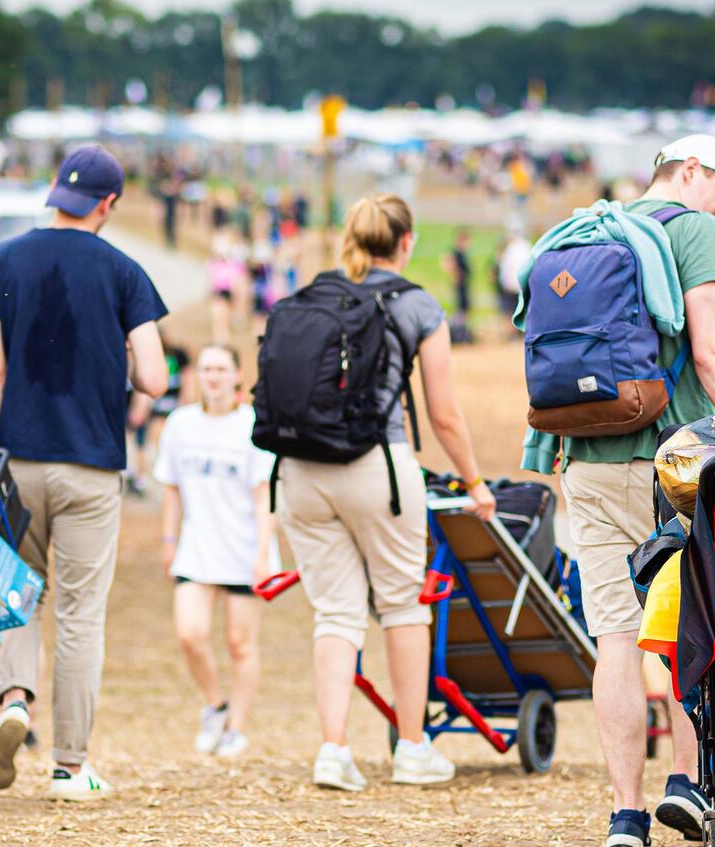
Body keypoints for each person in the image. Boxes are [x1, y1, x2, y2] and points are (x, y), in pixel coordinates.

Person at [565, 134, 715, 847]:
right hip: (672, 460)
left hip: (584, 454)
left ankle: (625, 816)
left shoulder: (588, 228)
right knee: (689, 621)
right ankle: (686, 780)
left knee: (615, 636)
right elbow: (711, 353)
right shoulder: (698, 232)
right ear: (688, 172)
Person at [0, 144, 169, 801]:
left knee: (16, 596)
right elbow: (157, 376)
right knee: (81, 616)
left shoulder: (0, 262)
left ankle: (15, 701)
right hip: (90, 466)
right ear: (108, 204)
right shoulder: (125, 271)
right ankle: (69, 766)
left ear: (55, 191)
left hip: (14, 463)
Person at [280, 193, 497, 794]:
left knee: (335, 612)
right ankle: (412, 748)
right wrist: (475, 482)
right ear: (406, 242)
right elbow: (444, 414)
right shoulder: (416, 305)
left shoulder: (309, 293)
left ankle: (333, 750)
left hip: (297, 469)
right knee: (403, 605)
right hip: (377, 464)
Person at [154, 344, 275, 759]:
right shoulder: (180, 424)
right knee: (190, 634)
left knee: (241, 642)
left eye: (222, 368)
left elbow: (265, 496)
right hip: (197, 548)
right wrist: (168, 541)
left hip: (243, 548)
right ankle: (215, 705)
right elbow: (171, 489)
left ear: (237, 375)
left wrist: (262, 554)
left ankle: (236, 728)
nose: (213, 376)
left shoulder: (254, 426)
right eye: (206, 369)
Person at [441, 229, 472, 342]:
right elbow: (446, 262)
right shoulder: (456, 252)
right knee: (460, 310)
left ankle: (463, 333)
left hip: (465, 285)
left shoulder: (463, 252)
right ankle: (460, 334)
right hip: (460, 286)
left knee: (465, 309)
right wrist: (454, 274)